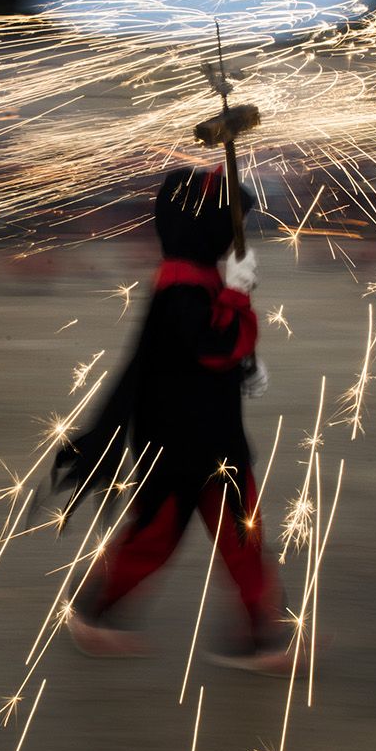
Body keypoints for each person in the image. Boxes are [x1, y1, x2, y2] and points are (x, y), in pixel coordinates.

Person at [49, 166, 291, 672]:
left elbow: (209, 350)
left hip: (211, 433)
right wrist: (238, 296)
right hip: (180, 441)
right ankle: (91, 609)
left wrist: (244, 366)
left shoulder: (195, 278)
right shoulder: (181, 286)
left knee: (242, 534)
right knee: (155, 537)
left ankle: (263, 635)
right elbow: (209, 344)